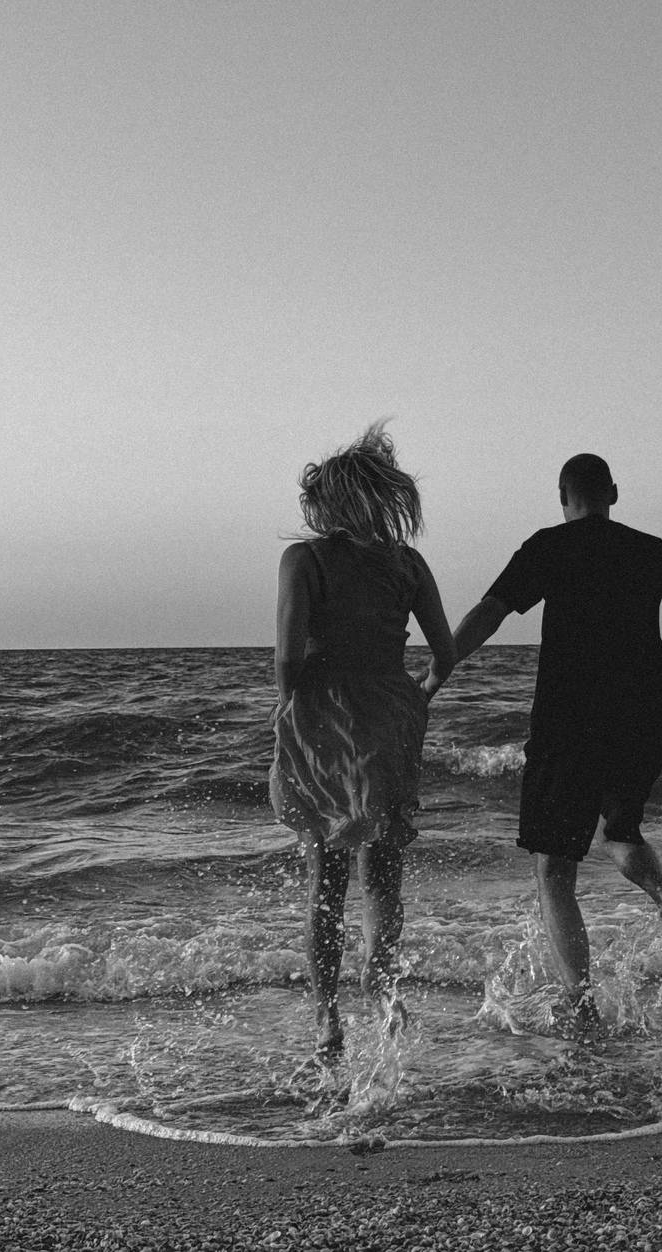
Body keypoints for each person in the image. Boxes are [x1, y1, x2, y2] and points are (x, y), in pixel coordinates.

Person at [420, 453, 662, 1030]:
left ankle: (581, 1006)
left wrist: (433, 679)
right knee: (618, 830)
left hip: (569, 715)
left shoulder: (546, 547)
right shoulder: (650, 550)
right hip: (643, 713)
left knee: (554, 868)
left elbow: (489, 614)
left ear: (563, 497)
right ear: (614, 494)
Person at [271, 424, 456, 1058]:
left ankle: (327, 1016)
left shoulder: (305, 560)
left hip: (323, 718)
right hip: (389, 719)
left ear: (329, 503)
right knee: (382, 874)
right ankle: (381, 985)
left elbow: (288, 657)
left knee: (324, 879)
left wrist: (290, 711)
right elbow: (445, 653)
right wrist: (417, 696)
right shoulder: (408, 563)